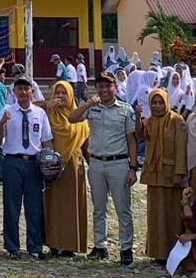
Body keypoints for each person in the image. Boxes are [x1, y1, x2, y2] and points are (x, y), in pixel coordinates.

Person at [68, 70, 137, 266]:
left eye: (108, 85)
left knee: (123, 208)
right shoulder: (92, 108)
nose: (104, 89)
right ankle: (100, 245)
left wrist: (133, 168)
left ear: (115, 87)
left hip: (119, 163)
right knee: (99, 208)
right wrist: (89, 103)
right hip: (96, 162)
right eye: (100, 86)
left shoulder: (126, 110)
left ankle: (126, 248)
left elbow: (132, 140)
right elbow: (72, 118)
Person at [0, 77, 52, 259]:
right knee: (11, 206)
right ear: (14, 92)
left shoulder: (39, 113)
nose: (23, 92)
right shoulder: (7, 111)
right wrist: (2, 123)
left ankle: (35, 247)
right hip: (12, 161)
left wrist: (49, 160)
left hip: (34, 162)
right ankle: (12, 247)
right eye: (19, 89)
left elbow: (47, 140)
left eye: (26, 89)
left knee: (34, 206)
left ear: (32, 92)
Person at [139, 87, 186, 264]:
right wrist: (138, 118)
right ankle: (157, 252)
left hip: (170, 174)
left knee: (172, 214)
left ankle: (172, 253)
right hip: (153, 173)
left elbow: (181, 149)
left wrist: (179, 173)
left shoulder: (177, 120)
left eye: (161, 102)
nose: (158, 106)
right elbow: (140, 137)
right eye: (154, 103)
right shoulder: (149, 121)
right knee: (155, 213)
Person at [43, 80, 88, 258]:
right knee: (54, 205)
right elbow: (28, 105)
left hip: (73, 165)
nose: (60, 96)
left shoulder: (79, 116)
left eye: (64, 93)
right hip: (53, 166)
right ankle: (54, 243)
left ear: (70, 95)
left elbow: (86, 145)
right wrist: (47, 104)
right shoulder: (47, 113)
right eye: (57, 93)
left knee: (72, 206)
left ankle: (70, 244)